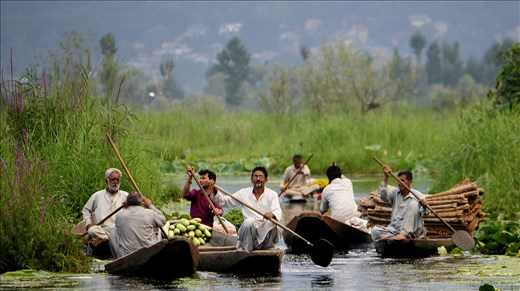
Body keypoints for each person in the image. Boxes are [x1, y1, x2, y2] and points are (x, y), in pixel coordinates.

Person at [214, 166, 282, 251]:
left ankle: (268, 247)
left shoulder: (272, 194)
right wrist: (214, 189)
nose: (258, 179)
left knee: (272, 223)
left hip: (265, 233)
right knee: (249, 222)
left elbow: (277, 210)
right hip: (250, 233)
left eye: (261, 176)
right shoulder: (243, 193)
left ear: (266, 180)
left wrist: (271, 214)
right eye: (255, 176)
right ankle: (248, 250)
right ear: (251, 179)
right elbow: (225, 201)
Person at [371, 165, 429, 241]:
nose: (399, 183)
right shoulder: (395, 192)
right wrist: (386, 178)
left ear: (410, 181)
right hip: (395, 230)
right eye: (398, 180)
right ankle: (397, 236)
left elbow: (426, 213)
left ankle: (405, 234)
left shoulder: (418, 195)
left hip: (414, 230)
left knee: (414, 204)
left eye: (402, 181)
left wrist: (424, 206)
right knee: (375, 231)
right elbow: (383, 197)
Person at [109, 192, 166, 258]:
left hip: (126, 255)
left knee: (113, 231)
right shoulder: (150, 213)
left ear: (127, 203)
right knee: (158, 229)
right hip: (149, 252)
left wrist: (126, 206)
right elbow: (163, 220)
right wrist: (150, 205)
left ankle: (118, 258)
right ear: (141, 203)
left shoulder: (120, 215)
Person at [82, 168, 129, 242]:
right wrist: (88, 224)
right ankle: (109, 239)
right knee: (91, 231)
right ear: (106, 181)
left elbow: (136, 207)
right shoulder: (97, 195)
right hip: (103, 231)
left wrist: (130, 204)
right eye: (113, 179)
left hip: (120, 230)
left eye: (117, 179)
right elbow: (86, 210)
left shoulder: (126, 196)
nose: (115, 182)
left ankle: (109, 239)